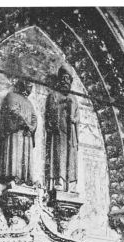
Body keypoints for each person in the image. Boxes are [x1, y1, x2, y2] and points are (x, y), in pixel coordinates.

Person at [45, 64, 79, 192]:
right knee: (59, 155)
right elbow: (51, 111)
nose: (65, 81)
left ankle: (71, 184)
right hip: (59, 132)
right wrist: (62, 104)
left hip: (70, 133)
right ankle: (58, 181)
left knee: (71, 157)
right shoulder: (54, 95)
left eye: (67, 79)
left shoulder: (73, 98)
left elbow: (77, 117)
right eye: (63, 78)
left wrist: (73, 119)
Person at [0, 79, 37, 185]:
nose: (30, 89)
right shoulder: (11, 96)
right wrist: (26, 124)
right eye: (29, 86)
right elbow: (13, 111)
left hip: (27, 133)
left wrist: (31, 128)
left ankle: (25, 179)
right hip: (15, 131)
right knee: (14, 154)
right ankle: (13, 177)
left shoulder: (29, 102)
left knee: (25, 157)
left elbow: (34, 117)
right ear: (23, 85)